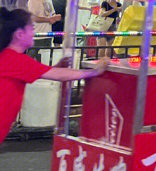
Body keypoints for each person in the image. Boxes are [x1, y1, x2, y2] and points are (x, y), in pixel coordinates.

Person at [1, 9, 105, 144]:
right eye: (31, 28)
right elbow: (58, 76)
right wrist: (93, 72)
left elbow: (47, 72)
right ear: (20, 34)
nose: (34, 33)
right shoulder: (14, 60)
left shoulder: (11, 58)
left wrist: (56, 67)